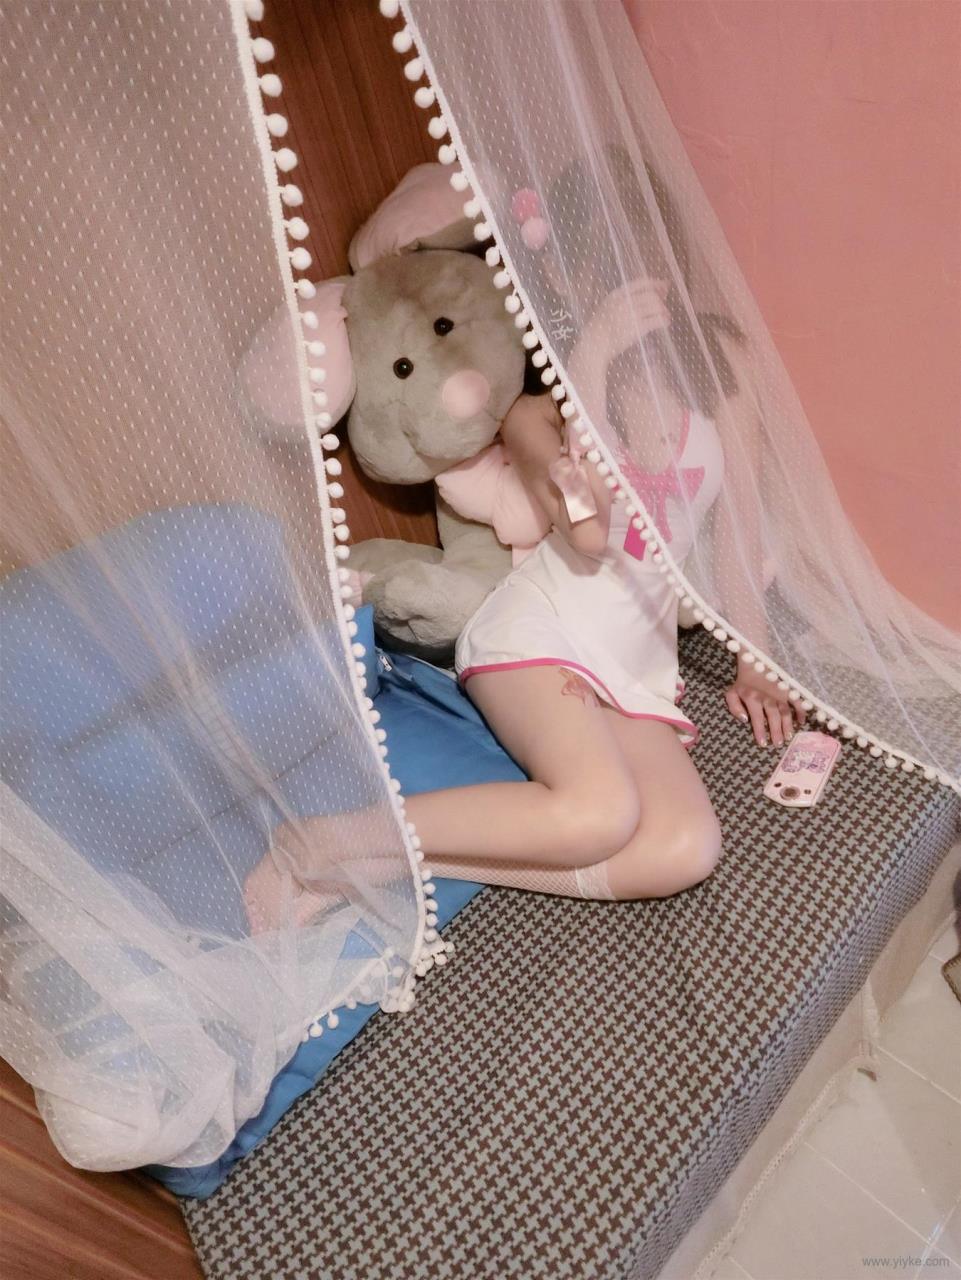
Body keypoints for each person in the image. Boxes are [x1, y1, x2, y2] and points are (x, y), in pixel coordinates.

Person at [243, 154, 804, 928]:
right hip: (539, 634)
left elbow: (737, 525)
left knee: (683, 849)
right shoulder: (535, 416)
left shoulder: (721, 364)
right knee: (597, 814)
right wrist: (591, 360)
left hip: (636, 663)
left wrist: (754, 663)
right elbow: (588, 531)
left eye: (643, 251)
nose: (631, 279)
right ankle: (315, 842)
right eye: (601, 265)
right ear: (565, 284)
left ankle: (377, 865)